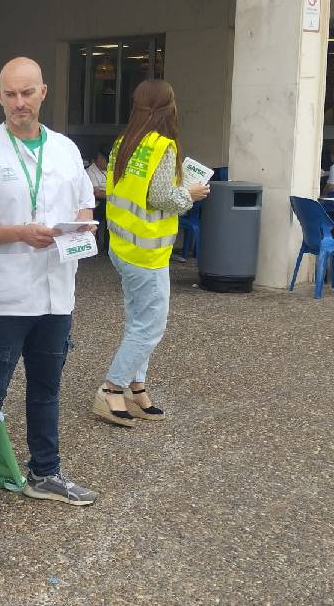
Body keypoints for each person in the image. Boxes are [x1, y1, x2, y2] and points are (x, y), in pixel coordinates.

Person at [0, 56, 98, 529]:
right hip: (6, 294)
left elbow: (83, 206)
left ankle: (45, 472)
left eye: (27, 93)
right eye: (11, 94)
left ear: (43, 93)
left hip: (57, 290)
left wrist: (77, 229)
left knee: (46, 389)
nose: (20, 103)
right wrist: (19, 232)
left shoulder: (66, 151)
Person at [93, 80, 209, 427]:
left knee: (138, 321)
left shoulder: (124, 143)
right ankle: (112, 389)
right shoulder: (164, 146)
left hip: (123, 246)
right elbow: (162, 197)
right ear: (169, 107)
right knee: (150, 326)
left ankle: (136, 387)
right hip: (148, 252)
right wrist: (190, 193)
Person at [86, 149, 109, 247]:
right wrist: (113, 196)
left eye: (104, 159)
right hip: (96, 203)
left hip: (108, 200)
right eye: (100, 158)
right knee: (108, 209)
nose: (102, 161)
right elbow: (97, 193)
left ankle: (108, 245)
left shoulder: (110, 169)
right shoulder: (91, 170)